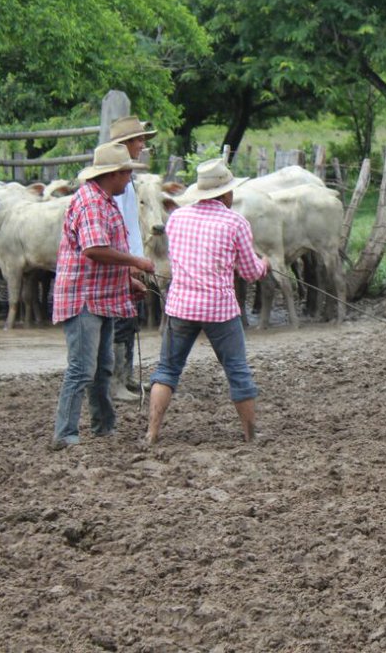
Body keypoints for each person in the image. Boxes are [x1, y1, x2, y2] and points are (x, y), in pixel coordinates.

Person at [144, 157, 270, 446]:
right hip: (219, 309)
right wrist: (264, 264)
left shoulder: (177, 218)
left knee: (167, 370)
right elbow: (250, 273)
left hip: (180, 306)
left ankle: (152, 432)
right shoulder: (235, 222)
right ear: (226, 193)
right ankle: (251, 434)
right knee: (237, 370)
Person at [51, 142, 156, 450]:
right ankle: (65, 433)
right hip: (84, 297)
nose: (129, 179)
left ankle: (104, 425)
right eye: (126, 173)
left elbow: (100, 251)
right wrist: (136, 262)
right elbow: (94, 249)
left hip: (99, 296)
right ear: (114, 174)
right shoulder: (93, 203)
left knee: (101, 366)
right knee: (82, 368)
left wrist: (126, 281)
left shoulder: (103, 200)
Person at [106, 115, 157, 402]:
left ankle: (125, 376)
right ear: (125, 144)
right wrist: (128, 263)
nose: (142, 145)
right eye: (139, 140)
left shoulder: (126, 179)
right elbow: (116, 227)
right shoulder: (116, 181)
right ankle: (115, 382)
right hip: (122, 260)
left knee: (129, 317)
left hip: (129, 258)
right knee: (120, 320)